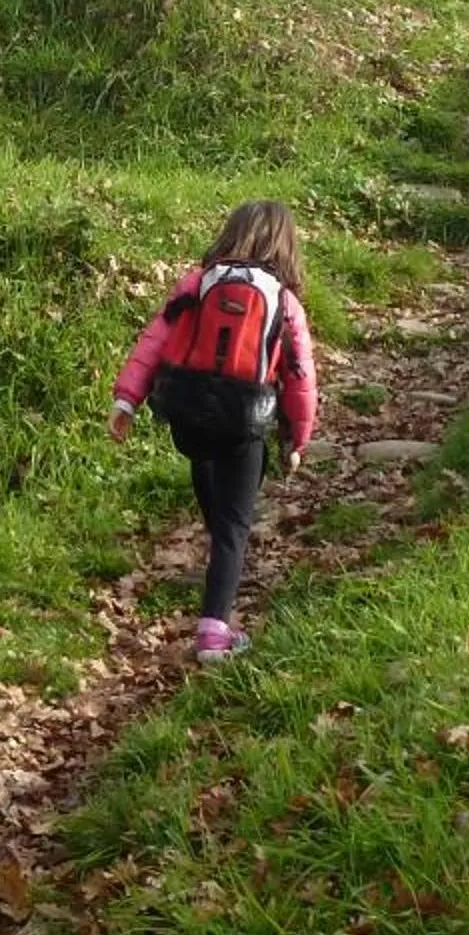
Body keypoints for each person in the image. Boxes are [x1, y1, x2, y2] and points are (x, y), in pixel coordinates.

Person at [108, 198, 320, 663]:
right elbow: (300, 378)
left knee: (215, 501)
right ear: (286, 246)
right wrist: (296, 439)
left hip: (188, 419)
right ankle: (213, 635)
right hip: (243, 423)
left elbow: (154, 341)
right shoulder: (284, 303)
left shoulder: (197, 284)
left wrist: (127, 400)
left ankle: (216, 581)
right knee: (233, 528)